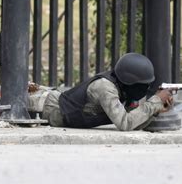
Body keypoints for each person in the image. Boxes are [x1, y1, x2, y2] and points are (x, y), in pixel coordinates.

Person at [41, 53, 174, 131]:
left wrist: (156, 110)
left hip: (61, 110)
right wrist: (155, 101)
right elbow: (125, 123)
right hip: (48, 105)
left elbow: (134, 124)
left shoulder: (123, 89)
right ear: (129, 81)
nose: (145, 89)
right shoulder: (105, 88)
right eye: (143, 85)